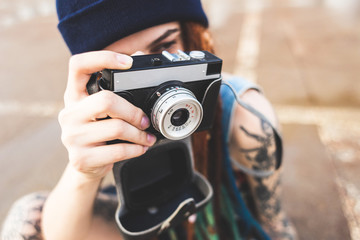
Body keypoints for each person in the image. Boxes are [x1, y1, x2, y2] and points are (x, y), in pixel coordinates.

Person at [1, 0, 297, 239]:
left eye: (163, 49)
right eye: (123, 68)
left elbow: (275, 223)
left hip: (220, 222)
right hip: (142, 209)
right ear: (94, 78)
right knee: (27, 216)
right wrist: (84, 172)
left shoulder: (246, 117)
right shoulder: (102, 113)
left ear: (194, 36)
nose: (150, 80)